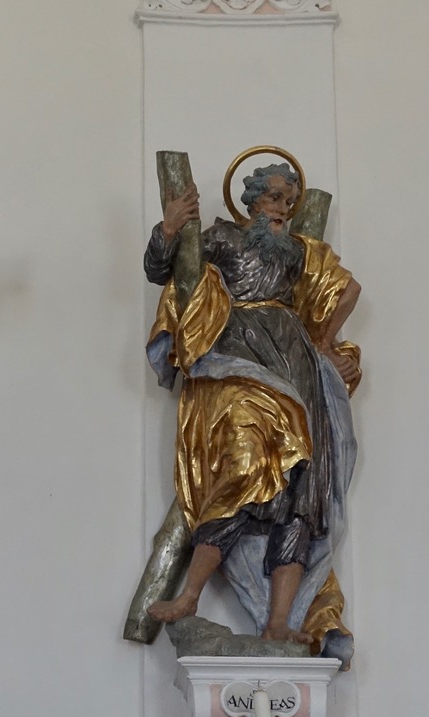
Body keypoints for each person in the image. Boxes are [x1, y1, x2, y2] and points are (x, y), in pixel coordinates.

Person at [143, 164, 360, 649]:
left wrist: (324, 343)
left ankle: (278, 621)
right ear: (253, 201)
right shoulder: (223, 238)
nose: (283, 209)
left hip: (296, 365)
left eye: (290, 202)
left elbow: (348, 289)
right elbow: (165, 272)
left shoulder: (297, 252)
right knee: (242, 471)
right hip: (239, 357)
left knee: (301, 494)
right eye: (275, 198)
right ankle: (190, 596)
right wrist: (170, 229)